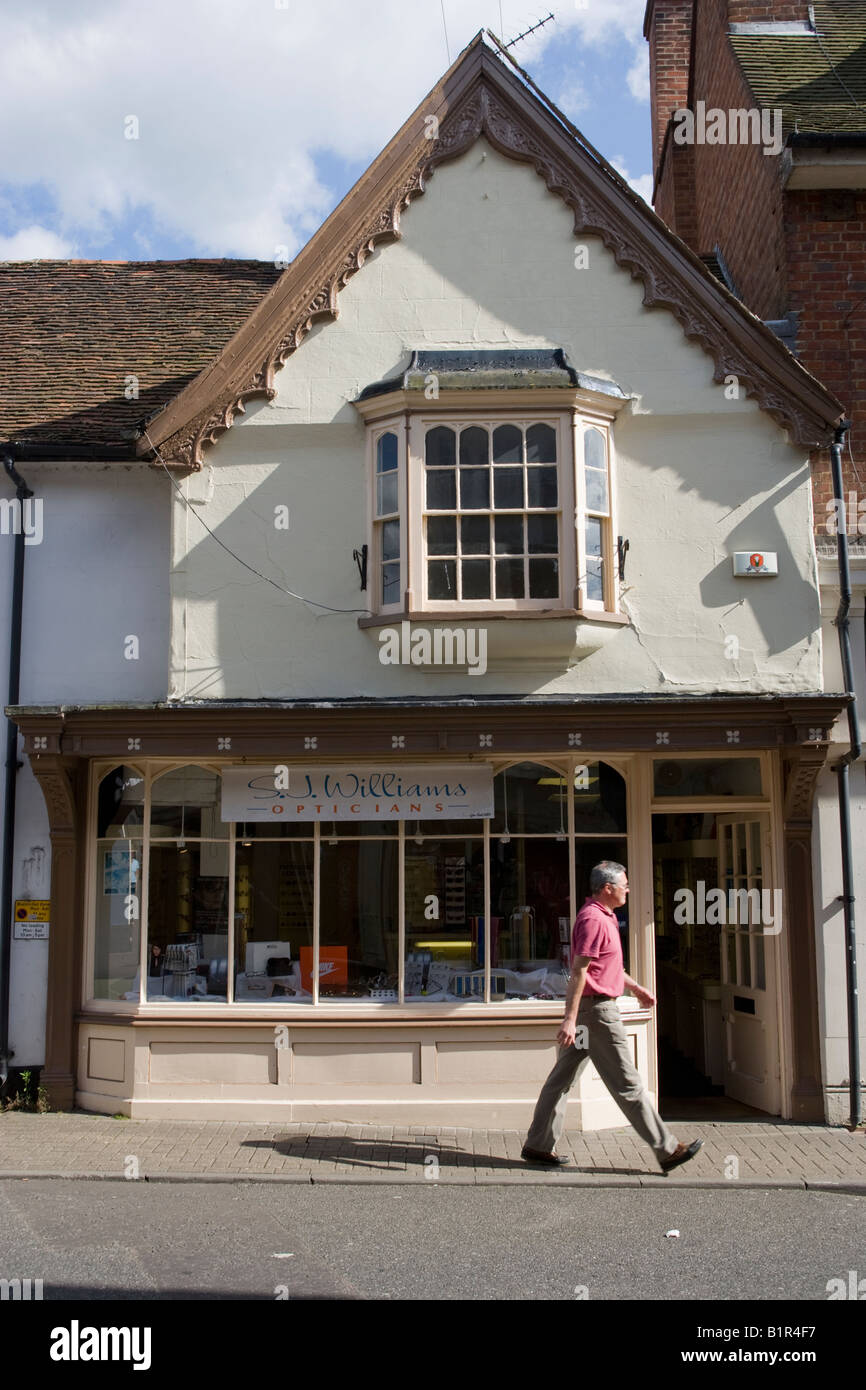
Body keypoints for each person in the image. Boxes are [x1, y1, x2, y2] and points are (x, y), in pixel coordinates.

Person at [522, 861, 703, 1174]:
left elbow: (607, 967)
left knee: (561, 1080)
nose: (628, 889)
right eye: (624, 885)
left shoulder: (603, 917)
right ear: (607, 888)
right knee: (627, 1083)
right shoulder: (593, 919)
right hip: (598, 1015)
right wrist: (570, 1018)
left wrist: (636, 988)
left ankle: (538, 1144)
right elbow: (580, 970)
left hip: (591, 1011)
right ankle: (668, 1149)